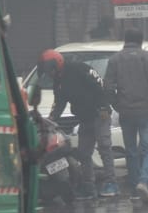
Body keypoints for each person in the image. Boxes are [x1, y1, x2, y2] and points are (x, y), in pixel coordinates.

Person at [103, 27, 148, 205]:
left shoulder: (114, 60)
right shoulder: (147, 58)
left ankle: (135, 190)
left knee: (131, 152)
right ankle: (144, 181)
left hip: (126, 113)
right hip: (146, 112)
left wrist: (117, 105)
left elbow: (107, 87)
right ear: (141, 41)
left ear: (125, 40)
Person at [38, 49, 119, 200]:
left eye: (50, 69)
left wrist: (103, 106)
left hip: (99, 113)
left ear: (57, 64)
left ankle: (111, 183)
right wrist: (51, 119)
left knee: (104, 147)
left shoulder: (79, 69)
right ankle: (89, 187)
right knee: (84, 152)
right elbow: (59, 102)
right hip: (85, 118)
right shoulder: (58, 82)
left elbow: (99, 84)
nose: (49, 73)